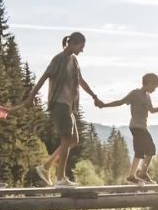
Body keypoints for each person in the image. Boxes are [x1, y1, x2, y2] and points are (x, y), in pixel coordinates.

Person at [24, 32, 103, 186]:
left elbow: (80, 80)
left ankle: (45, 167)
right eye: (81, 46)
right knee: (66, 138)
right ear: (72, 43)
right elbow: (44, 77)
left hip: (69, 105)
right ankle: (60, 178)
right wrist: (31, 97)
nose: (82, 50)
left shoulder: (74, 61)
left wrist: (94, 96)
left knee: (73, 140)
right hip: (59, 103)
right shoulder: (58, 59)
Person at [97, 73, 158, 183]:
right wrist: (104, 105)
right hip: (136, 126)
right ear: (148, 83)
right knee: (140, 151)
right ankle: (132, 176)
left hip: (143, 127)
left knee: (150, 150)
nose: (154, 89)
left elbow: (152, 110)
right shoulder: (135, 93)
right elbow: (120, 102)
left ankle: (142, 174)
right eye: (154, 86)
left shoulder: (148, 96)